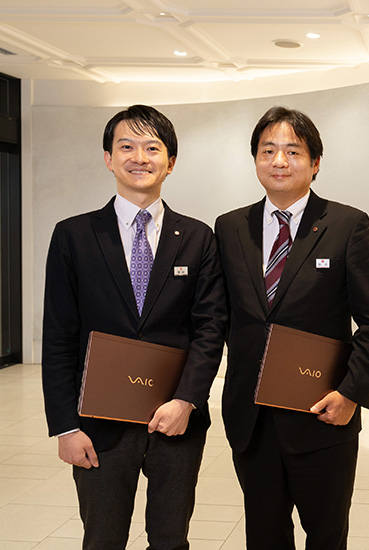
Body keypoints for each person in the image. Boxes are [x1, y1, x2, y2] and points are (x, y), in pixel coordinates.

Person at [41, 105, 226, 550]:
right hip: (97, 423)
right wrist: (65, 427)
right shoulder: (74, 236)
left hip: (174, 420)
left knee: (170, 539)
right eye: (127, 146)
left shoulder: (198, 237)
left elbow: (210, 328)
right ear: (108, 158)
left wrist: (186, 400)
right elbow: (58, 336)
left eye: (152, 148)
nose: (139, 157)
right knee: (102, 540)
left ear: (171, 161)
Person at [214, 106, 369, 549]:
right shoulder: (229, 227)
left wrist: (351, 394)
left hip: (322, 413)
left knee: (326, 535)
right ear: (255, 159)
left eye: (293, 151)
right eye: (267, 150)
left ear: (315, 163)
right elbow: (219, 318)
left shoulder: (347, 225)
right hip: (251, 417)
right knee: (264, 535)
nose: (279, 161)